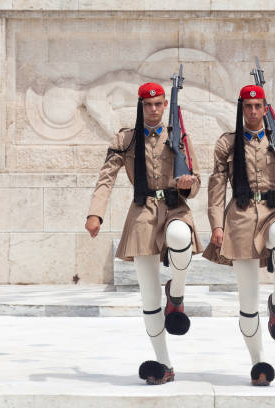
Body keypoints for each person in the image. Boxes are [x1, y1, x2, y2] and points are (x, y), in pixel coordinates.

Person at [85, 82, 203, 385]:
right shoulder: (126, 139)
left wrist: (188, 184)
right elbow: (106, 177)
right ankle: (164, 364)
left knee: (180, 238)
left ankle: (176, 292)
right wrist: (95, 212)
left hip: (176, 207)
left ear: (165, 106)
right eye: (148, 104)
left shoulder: (178, 136)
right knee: (149, 296)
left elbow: (197, 180)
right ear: (140, 106)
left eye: (158, 104)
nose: (153, 109)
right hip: (142, 212)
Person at [203, 85, 275, 386]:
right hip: (241, 217)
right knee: (248, 301)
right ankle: (259, 362)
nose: (252, 112)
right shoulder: (227, 143)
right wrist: (216, 226)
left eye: (257, 106)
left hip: (273, 209)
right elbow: (217, 186)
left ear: (264, 109)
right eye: (247, 107)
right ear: (242, 109)